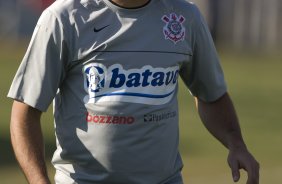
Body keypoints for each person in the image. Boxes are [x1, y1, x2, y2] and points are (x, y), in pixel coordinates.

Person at [8, 0, 260, 184]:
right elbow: (25, 111)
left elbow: (210, 94)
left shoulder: (184, 16)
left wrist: (236, 144)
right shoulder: (64, 17)